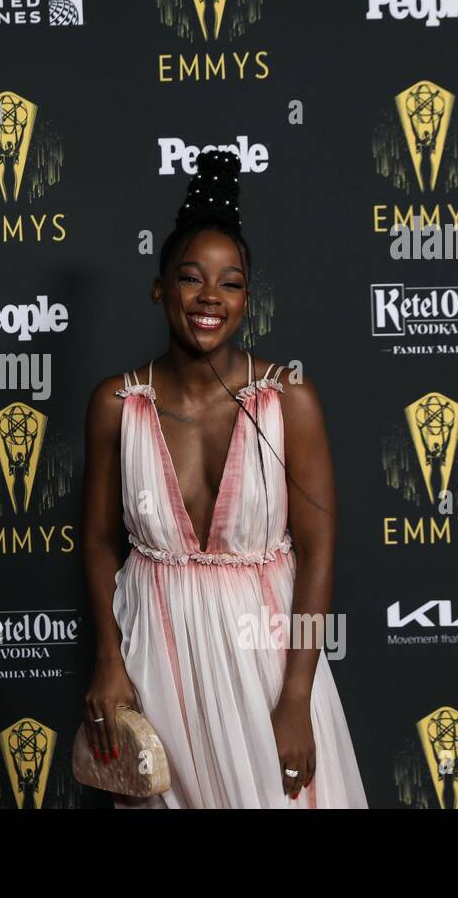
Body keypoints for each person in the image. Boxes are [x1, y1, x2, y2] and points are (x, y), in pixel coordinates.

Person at [79, 149, 368, 808]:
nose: (210, 297)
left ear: (246, 297)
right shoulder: (115, 404)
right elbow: (98, 541)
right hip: (159, 656)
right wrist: (109, 659)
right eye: (191, 278)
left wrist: (297, 696)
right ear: (159, 288)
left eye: (231, 282)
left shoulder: (288, 397)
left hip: (267, 660)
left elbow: (319, 551)